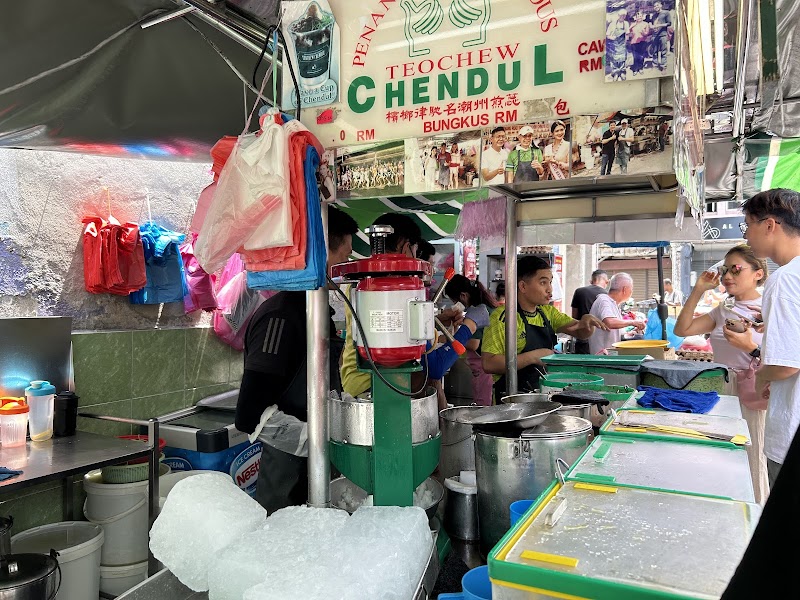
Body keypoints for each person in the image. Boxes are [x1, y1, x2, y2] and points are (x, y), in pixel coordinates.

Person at [235, 206, 358, 513]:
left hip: (315, 474)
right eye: (343, 259)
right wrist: (310, 443)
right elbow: (250, 415)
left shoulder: (317, 314)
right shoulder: (281, 317)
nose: (345, 271)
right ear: (321, 253)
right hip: (286, 478)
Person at [340, 213, 489, 400]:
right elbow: (435, 367)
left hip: (355, 383)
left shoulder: (360, 283)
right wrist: (470, 326)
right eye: (416, 251)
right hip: (378, 385)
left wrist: (432, 321)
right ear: (405, 246)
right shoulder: (399, 286)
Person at [673, 245, 769, 504]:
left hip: (754, 390)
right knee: (721, 455)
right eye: (725, 269)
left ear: (758, 273)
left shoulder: (770, 308)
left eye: (736, 269)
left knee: (752, 456)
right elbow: (683, 329)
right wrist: (698, 290)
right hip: (719, 389)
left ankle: (755, 513)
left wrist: (751, 348)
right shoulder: (724, 309)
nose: (728, 276)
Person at [481, 256, 608, 398]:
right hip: (511, 398)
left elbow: (580, 331)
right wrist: (533, 357)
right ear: (522, 286)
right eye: (543, 283)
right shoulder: (504, 317)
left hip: (542, 394)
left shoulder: (547, 312)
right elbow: (488, 363)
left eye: (550, 282)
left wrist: (587, 323)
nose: (550, 289)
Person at [742, 188, 800, 487]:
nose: (746, 237)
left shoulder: (786, 278)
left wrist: (763, 377)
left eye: (747, 225)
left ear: (769, 225)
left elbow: (787, 365)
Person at [445, 275, 498, 406]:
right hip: (488, 366)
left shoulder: (477, 312)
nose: (455, 305)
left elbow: (474, 344)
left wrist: (451, 339)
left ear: (462, 296)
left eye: (454, 301)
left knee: (482, 408)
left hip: (484, 368)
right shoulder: (485, 307)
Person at [588, 273, 646, 355]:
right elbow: (609, 322)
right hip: (601, 358)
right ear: (624, 289)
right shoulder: (604, 300)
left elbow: (614, 330)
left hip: (610, 356)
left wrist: (629, 333)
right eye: (631, 289)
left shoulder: (614, 305)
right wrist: (633, 322)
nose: (632, 291)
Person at [570, 269, 609, 354]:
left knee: (581, 364)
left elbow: (574, 316)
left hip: (582, 335)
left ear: (591, 281)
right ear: (607, 282)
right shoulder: (606, 296)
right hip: (599, 339)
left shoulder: (579, 291)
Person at [606, 9, 630, 81]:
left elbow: (627, 34)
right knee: (614, 60)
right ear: (618, 15)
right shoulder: (612, 24)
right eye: (621, 15)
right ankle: (616, 73)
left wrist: (626, 42)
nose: (622, 17)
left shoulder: (626, 23)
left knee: (622, 59)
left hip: (622, 44)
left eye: (624, 15)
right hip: (614, 44)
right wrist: (611, 37)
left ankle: (622, 72)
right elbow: (607, 35)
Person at [650, 1, 672, 72]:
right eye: (654, 6)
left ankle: (663, 67)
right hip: (654, 35)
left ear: (661, 5)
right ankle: (655, 65)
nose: (656, 7)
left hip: (663, 34)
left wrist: (659, 25)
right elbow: (651, 22)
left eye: (657, 5)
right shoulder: (654, 15)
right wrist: (650, 25)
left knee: (663, 51)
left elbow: (669, 23)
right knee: (654, 51)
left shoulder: (666, 13)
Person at [628, 10, 652, 75]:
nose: (639, 18)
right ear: (636, 17)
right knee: (635, 56)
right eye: (638, 16)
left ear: (642, 17)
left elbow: (647, 33)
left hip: (642, 42)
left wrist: (644, 33)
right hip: (634, 42)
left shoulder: (646, 24)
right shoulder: (633, 24)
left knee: (641, 56)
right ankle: (635, 69)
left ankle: (640, 68)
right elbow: (628, 32)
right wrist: (631, 28)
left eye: (640, 16)